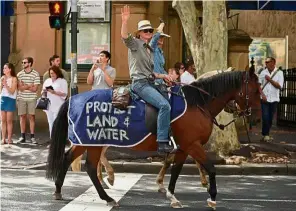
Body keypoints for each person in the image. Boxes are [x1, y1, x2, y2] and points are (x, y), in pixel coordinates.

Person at [121, 5, 175, 154]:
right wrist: (125, 21)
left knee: (170, 98)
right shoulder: (135, 44)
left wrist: (164, 76)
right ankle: (162, 142)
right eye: (146, 31)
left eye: (150, 30)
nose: (149, 32)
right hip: (140, 84)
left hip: (150, 82)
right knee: (165, 106)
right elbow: (125, 37)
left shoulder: (150, 49)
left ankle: (167, 132)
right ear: (139, 33)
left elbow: (152, 73)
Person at [259, 57, 284, 142]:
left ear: (273, 62)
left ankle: (266, 133)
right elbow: (258, 86)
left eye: (268, 62)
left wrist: (269, 79)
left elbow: (279, 86)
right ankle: (266, 135)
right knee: (265, 117)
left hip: (274, 99)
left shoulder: (279, 73)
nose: (266, 64)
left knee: (270, 118)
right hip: (264, 99)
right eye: (265, 62)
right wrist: (262, 95)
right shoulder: (263, 72)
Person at [16, 57, 40, 144]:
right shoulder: (19, 74)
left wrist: (25, 85)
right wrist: (30, 85)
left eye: (24, 62)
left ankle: (32, 137)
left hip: (32, 98)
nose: (23, 64)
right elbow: (19, 88)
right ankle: (22, 137)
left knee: (31, 117)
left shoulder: (36, 74)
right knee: (22, 116)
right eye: (22, 62)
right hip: (21, 98)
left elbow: (35, 89)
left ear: (30, 63)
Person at [42, 66, 68, 137]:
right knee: (50, 123)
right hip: (49, 105)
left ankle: (57, 140)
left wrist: (54, 92)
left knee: (57, 123)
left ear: (57, 73)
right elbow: (42, 92)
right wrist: (44, 91)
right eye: (50, 73)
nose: (52, 75)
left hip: (58, 105)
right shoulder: (47, 81)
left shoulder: (62, 81)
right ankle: (52, 140)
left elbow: (65, 94)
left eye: (53, 73)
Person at [1, 63, 17, 146]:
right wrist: (1, 83)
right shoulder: (2, 78)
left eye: (5, 68)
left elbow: (12, 91)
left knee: (9, 121)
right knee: (3, 120)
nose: (3, 69)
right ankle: (3, 138)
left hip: (10, 100)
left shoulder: (14, 79)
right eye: (3, 68)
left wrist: (6, 84)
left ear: (10, 69)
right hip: (3, 99)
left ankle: (9, 138)